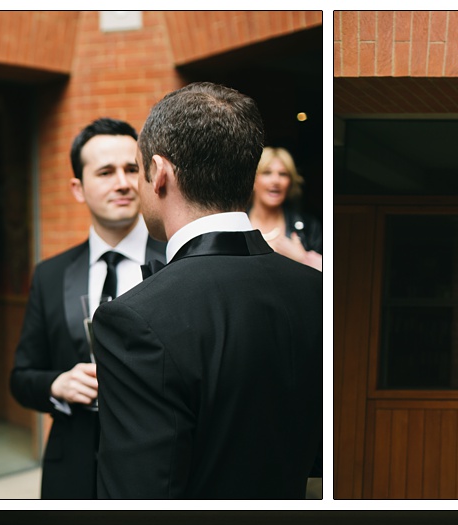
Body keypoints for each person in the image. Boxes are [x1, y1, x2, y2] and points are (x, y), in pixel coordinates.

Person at [90, 82, 323, 500]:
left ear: (159, 173)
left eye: (139, 172)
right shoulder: (316, 291)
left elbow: (136, 500)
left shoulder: (134, 319)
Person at [10, 118, 166, 500]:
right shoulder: (51, 274)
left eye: (132, 169)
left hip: (154, 468)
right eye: (106, 172)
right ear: (78, 188)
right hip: (72, 467)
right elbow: (21, 377)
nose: (123, 183)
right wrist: (56, 385)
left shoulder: (175, 263)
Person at [249, 146, 322, 269]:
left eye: (283, 174)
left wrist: (303, 258)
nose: (276, 180)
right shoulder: (235, 224)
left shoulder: (309, 227)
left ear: (290, 182)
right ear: (253, 180)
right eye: (267, 173)